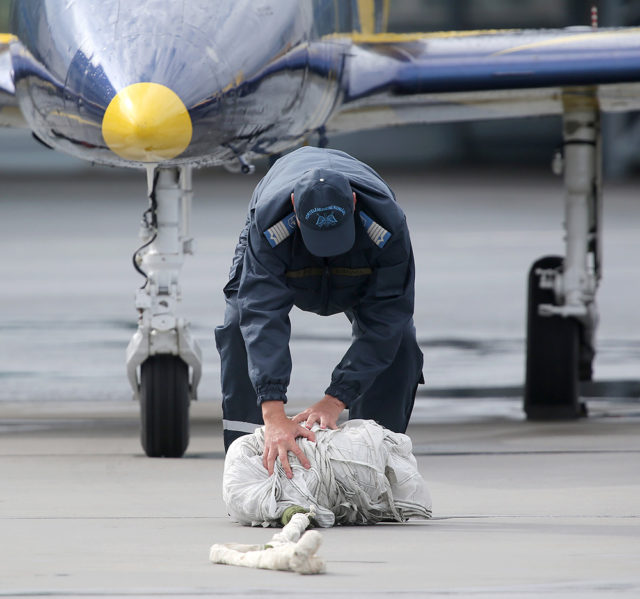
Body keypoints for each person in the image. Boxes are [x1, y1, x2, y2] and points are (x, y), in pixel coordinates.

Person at [215, 147, 423, 479]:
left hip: (361, 263)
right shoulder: (270, 224)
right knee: (238, 326)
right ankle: (252, 462)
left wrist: (335, 399)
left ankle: (376, 454)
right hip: (288, 253)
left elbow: (386, 318)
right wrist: (274, 414)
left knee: (400, 342)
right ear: (295, 207)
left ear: (353, 203)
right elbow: (261, 315)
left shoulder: (386, 227)